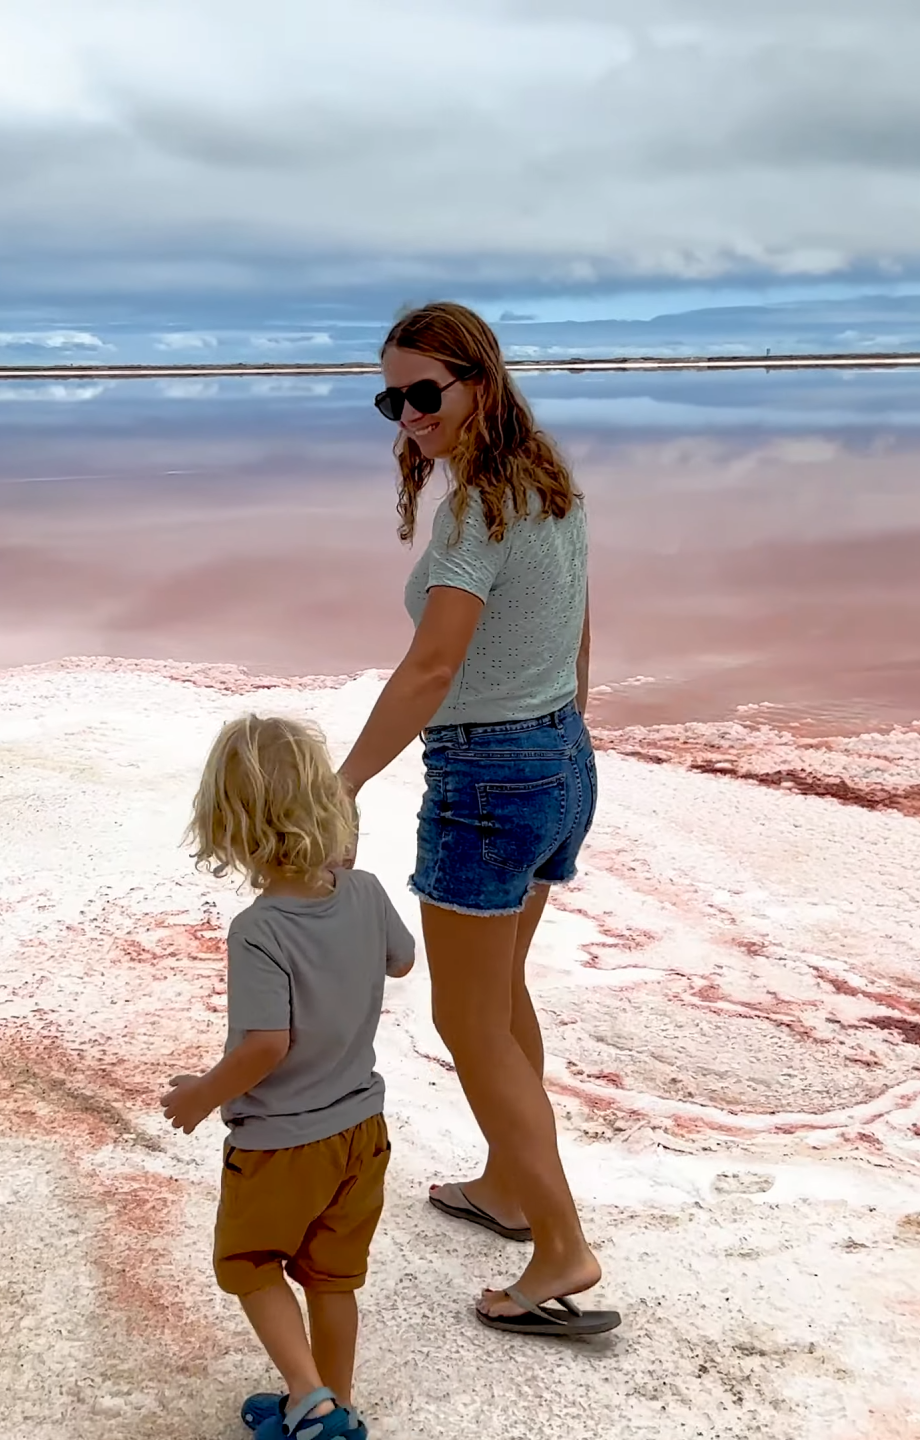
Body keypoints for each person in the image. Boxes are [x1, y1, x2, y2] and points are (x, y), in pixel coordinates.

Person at [336, 302, 620, 1339]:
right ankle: (509, 1186)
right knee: (499, 997)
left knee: (465, 1018)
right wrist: (568, 737)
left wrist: (345, 781)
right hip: (556, 759)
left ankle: (560, 1244)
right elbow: (581, 626)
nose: (408, 415)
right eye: (391, 398)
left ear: (479, 385)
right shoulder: (554, 491)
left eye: (425, 393)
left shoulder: (479, 512)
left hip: (491, 775)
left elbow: (433, 666)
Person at [163, 714, 415, 1439]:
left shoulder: (261, 929)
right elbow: (401, 961)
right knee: (332, 1279)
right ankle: (333, 1404)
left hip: (282, 1142)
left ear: (231, 826)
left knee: (248, 1262)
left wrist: (202, 1094)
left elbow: (265, 1045)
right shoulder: (364, 891)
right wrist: (349, 879)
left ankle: (312, 1403)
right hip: (360, 1129)